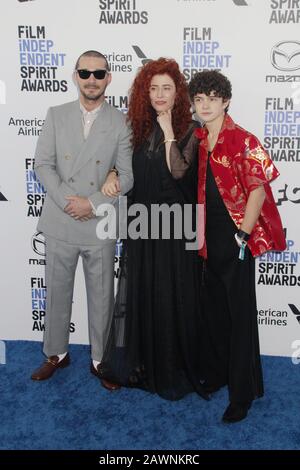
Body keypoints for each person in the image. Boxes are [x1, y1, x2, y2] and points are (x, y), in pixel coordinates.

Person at [178, 70, 285, 422]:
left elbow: (257, 189)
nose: (204, 104)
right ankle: (218, 373)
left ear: (225, 101)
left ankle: (242, 394)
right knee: (213, 310)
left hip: (235, 238)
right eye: (199, 99)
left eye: (212, 97)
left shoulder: (243, 139)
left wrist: (243, 233)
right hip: (204, 237)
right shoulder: (197, 138)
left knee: (239, 315)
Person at [98, 58, 209, 401]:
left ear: (179, 94)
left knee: (172, 294)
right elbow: (124, 169)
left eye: (167, 88)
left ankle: (172, 365)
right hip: (142, 224)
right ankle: (141, 362)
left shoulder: (192, 129)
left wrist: (168, 130)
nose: (160, 94)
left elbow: (178, 173)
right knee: (143, 291)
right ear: (145, 93)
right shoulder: (137, 128)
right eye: (154, 88)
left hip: (176, 227)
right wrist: (114, 174)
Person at [30, 50, 133, 389]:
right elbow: (42, 164)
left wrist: (92, 202)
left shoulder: (121, 122)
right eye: (85, 73)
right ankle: (55, 354)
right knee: (57, 292)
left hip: (98, 221)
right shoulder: (56, 114)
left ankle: (101, 360)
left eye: (98, 73)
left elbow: (128, 176)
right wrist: (67, 202)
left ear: (108, 78)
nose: (92, 79)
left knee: (102, 296)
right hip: (61, 218)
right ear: (75, 76)